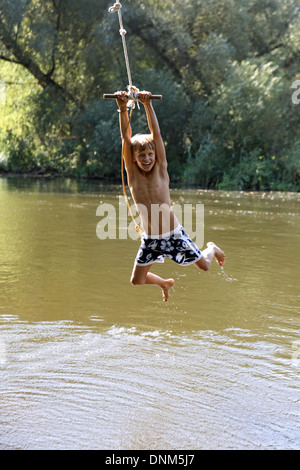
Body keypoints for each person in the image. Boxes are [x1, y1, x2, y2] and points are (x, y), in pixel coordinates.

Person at [115, 90, 225, 302]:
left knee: (204, 266)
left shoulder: (161, 169)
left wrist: (147, 104)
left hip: (173, 234)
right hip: (151, 240)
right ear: (134, 159)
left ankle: (211, 248)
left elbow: (156, 134)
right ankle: (164, 283)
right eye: (141, 156)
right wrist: (122, 108)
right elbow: (125, 138)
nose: (146, 158)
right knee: (137, 280)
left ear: (156, 155)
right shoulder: (132, 175)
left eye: (150, 154)